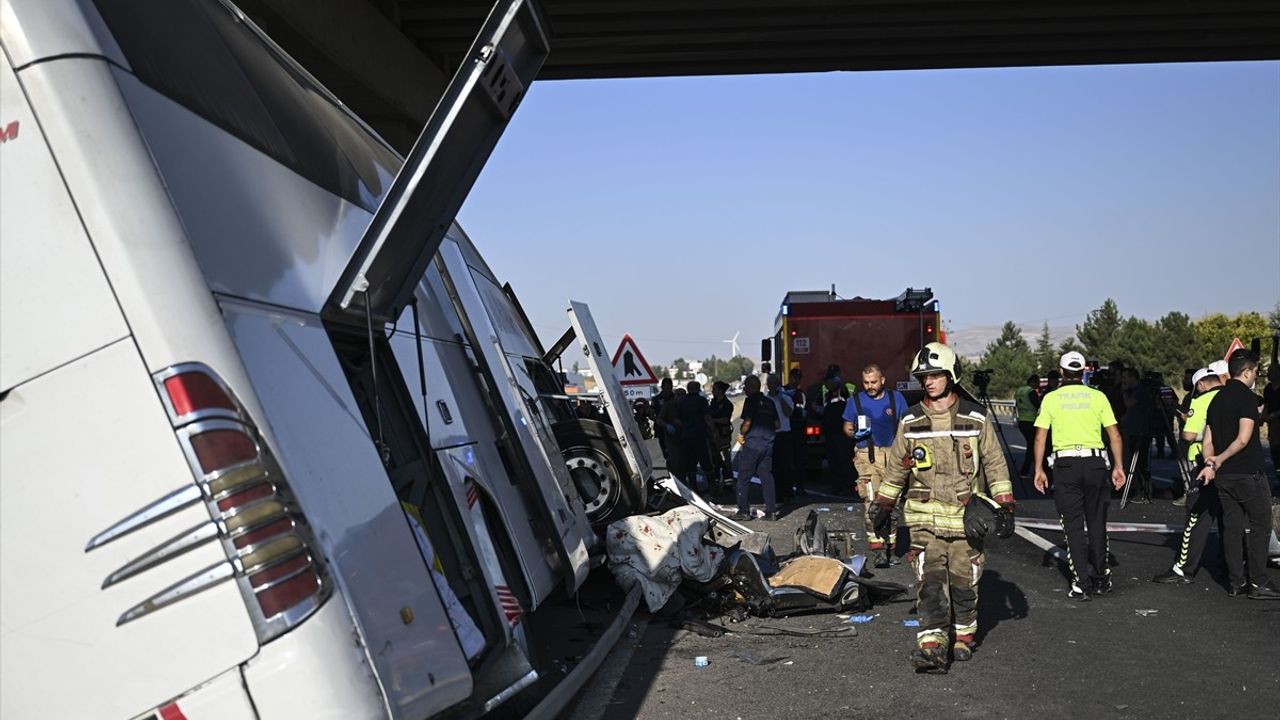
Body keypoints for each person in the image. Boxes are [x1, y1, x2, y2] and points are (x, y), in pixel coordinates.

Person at [871, 343, 1014, 673]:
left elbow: (994, 463)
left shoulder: (975, 418)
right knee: (931, 585)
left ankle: (964, 635)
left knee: (965, 585)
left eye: (935, 375)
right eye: (924, 376)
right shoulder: (910, 420)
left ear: (952, 376)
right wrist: (883, 505)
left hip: (967, 523)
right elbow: (897, 468)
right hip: (924, 524)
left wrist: (1005, 506)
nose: (928, 382)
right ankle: (933, 647)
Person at [1032, 351, 1126, 600]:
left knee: (1073, 526)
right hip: (1095, 464)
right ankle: (1102, 578)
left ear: (1062, 372)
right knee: (1097, 523)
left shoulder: (1052, 399)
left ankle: (1081, 583)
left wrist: (1039, 468)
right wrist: (1118, 466)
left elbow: (1041, 436)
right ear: (1084, 371)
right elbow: (1114, 434)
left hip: (1065, 467)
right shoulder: (1098, 396)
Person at [1196, 350, 1279, 599]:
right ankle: (1258, 582)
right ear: (1246, 372)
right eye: (1255, 372)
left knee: (1232, 528)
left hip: (1224, 477)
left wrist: (1211, 464)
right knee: (1260, 524)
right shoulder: (1247, 399)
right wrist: (1219, 459)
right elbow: (1244, 439)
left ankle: (1236, 582)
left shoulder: (1216, 400)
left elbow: (1207, 440)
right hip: (1247, 472)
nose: (1256, 376)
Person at [1153, 368, 1224, 584]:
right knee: (1228, 517)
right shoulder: (1232, 396)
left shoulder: (1201, 400)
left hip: (1204, 464)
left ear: (1201, 384)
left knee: (1195, 515)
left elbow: (1189, 434)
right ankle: (1233, 565)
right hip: (1232, 465)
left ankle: (1184, 568)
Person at [843, 363, 909, 568]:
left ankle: (891, 546)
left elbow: (907, 424)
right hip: (866, 456)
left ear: (882, 380)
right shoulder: (855, 402)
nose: (870, 386)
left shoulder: (895, 399)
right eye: (866, 383)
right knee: (871, 503)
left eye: (873, 382)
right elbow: (847, 427)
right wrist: (854, 434)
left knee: (891, 504)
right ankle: (878, 548)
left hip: (892, 456)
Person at [734, 374, 780, 521]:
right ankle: (771, 511)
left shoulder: (750, 401)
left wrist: (742, 434)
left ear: (751, 387)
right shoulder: (769, 402)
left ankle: (743, 511)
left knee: (743, 478)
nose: (745, 390)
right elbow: (777, 424)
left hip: (752, 444)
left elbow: (747, 422)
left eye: (746, 387)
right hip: (767, 445)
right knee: (767, 477)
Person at [678, 381, 716, 491]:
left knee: (690, 464)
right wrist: (713, 432)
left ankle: (693, 489)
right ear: (698, 389)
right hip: (700, 436)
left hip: (686, 437)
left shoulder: (682, 402)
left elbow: (678, 420)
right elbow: (707, 418)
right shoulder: (701, 401)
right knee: (706, 462)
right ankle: (712, 487)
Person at [766, 372, 797, 503]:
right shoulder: (766, 399)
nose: (772, 386)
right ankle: (777, 494)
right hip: (771, 435)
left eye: (774, 383)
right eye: (770, 384)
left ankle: (788, 493)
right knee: (773, 467)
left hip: (783, 434)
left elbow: (789, 412)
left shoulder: (785, 397)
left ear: (778, 385)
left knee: (785, 466)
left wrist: (781, 399)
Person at [785, 368, 810, 496]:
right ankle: (788, 488)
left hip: (799, 431)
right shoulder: (783, 391)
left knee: (799, 460)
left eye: (798, 378)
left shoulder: (801, 394)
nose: (796, 380)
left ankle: (800, 486)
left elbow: (806, 411)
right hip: (787, 431)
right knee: (787, 461)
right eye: (794, 377)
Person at [708, 381, 736, 490]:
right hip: (712, 436)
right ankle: (715, 483)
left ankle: (728, 484)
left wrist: (713, 420)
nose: (712, 391)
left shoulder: (727, 404)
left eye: (714, 389)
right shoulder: (713, 402)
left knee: (725, 461)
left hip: (723, 437)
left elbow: (725, 420)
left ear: (720, 391)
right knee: (714, 460)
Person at [1014, 374, 1042, 477]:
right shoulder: (1031, 392)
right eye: (1038, 382)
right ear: (1033, 382)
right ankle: (1026, 471)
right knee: (1032, 447)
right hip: (1031, 421)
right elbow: (1038, 405)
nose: (1038, 385)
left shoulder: (1020, 391)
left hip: (1022, 421)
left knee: (1031, 446)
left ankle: (1034, 469)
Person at [1261, 361, 1280, 491]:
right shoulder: (1268, 388)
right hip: (1273, 426)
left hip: (1277, 420)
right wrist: (1263, 417)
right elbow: (1266, 405)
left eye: (1270, 371)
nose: (1267, 374)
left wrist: (1274, 415)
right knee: (1274, 450)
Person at [651, 378, 675, 459]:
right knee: (661, 452)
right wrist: (658, 421)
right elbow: (651, 413)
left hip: (673, 429)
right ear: (662, 387)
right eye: (667, 388)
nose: (669, 390)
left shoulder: (675, 398)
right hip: (660, 429)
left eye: (670, 388)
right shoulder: (657, 399)